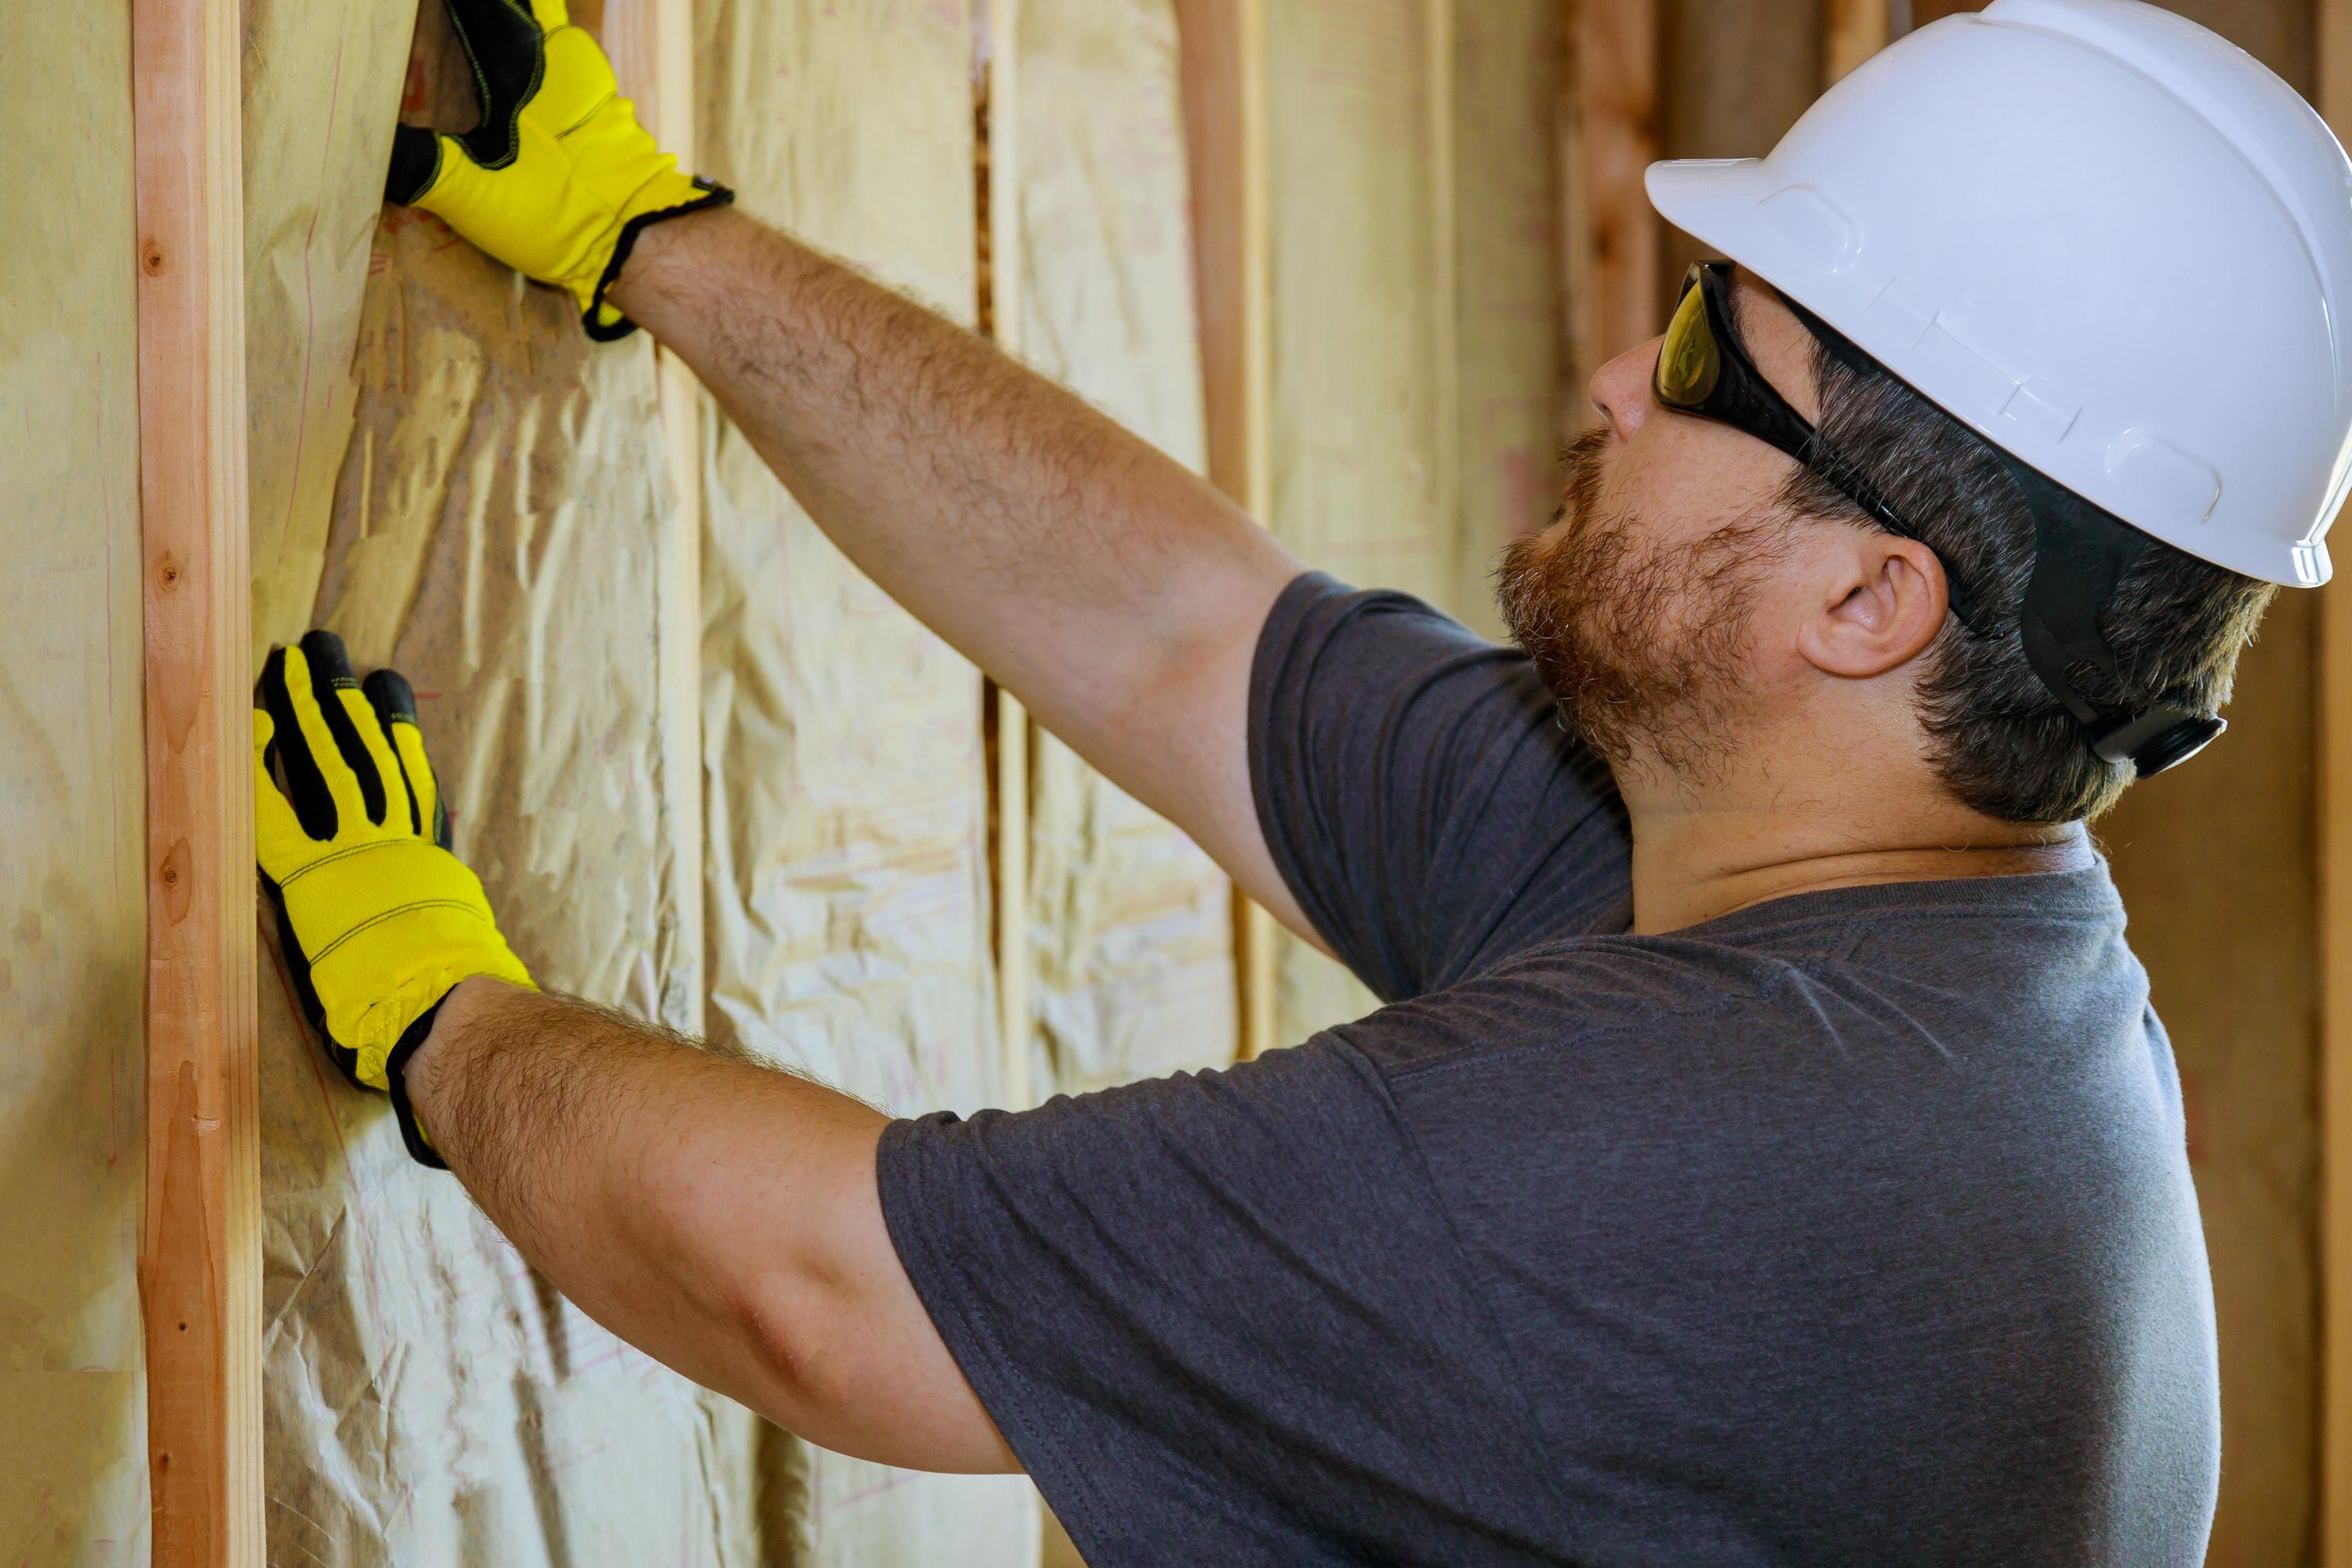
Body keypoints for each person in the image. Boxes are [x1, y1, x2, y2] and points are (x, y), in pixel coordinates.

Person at [254, 0, 2352, 1560]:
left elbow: (827, 1290)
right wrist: (659, 236)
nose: (1623, 375)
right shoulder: (1876, 935)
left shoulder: (1708, 1164)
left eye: (1715, 357)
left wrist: (440, 1009)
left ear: (1871, 596)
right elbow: (1180, 630)